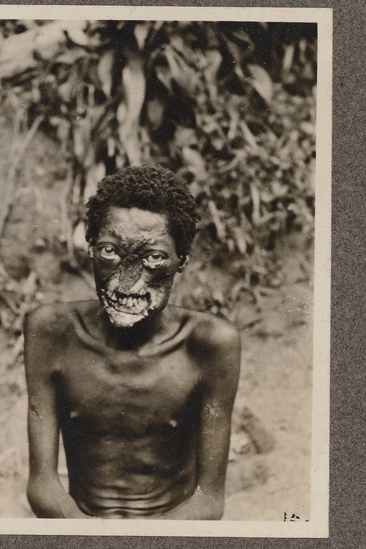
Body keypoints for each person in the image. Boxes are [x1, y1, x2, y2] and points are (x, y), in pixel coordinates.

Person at [24, 166, 240, 519]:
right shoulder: (51, 331)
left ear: (181, 260)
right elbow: (42, 486)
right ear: (90, 248)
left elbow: (209, 500)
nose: (127, 284)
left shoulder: (210, 345)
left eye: (153, 257)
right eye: (110, 251)